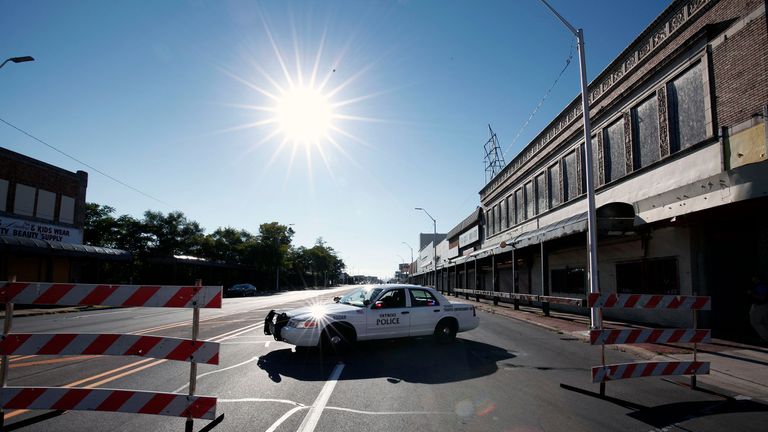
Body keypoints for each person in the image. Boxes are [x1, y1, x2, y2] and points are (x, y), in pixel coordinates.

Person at [748, 276, 768, 342]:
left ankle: (765, 338)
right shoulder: (758, 285)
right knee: (764, 322)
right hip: (760, 305)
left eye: (755, 278)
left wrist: (752, 293)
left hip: (760, 306)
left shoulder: (760, 286)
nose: (753, 279)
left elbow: (762, 298)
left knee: (755, 322)